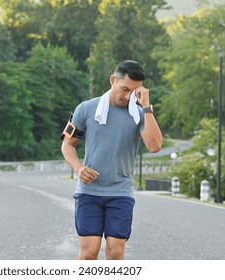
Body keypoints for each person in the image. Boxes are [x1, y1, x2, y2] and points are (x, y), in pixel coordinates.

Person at [61, 60, 162, 260]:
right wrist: (79, 169)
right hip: (89, 192)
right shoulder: (86, 108)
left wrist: (146, 107)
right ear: (112, 80)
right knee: (89, 252)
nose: (127, 96)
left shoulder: (139, 113)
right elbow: (67, 144)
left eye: (133, 92)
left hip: (120, 192)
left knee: (116, 252)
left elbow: (154, 146)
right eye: (124, 89)